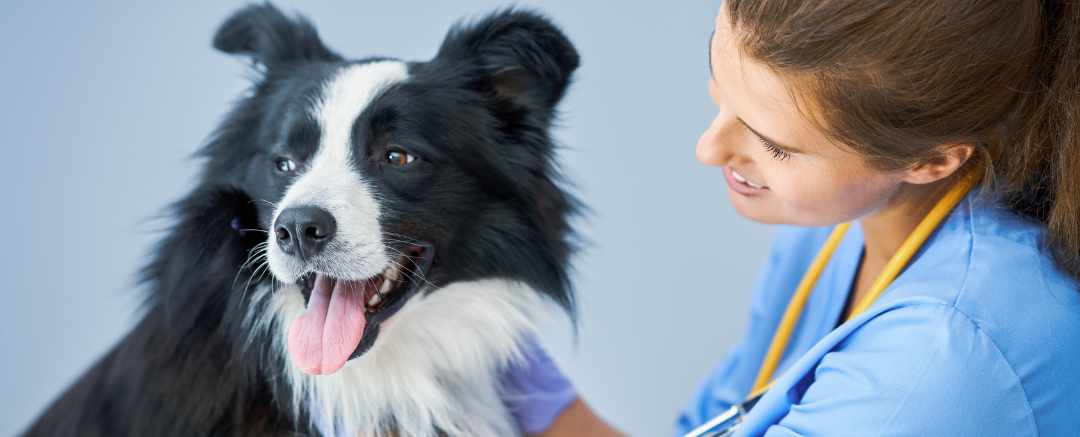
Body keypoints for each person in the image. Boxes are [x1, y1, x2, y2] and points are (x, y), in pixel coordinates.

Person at [501, 1, 1080, 435]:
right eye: (719, 83)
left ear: (931, 161)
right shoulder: (836, 234)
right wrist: (508, 379)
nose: (708, 147)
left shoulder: (946, 363)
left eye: (775, 144)